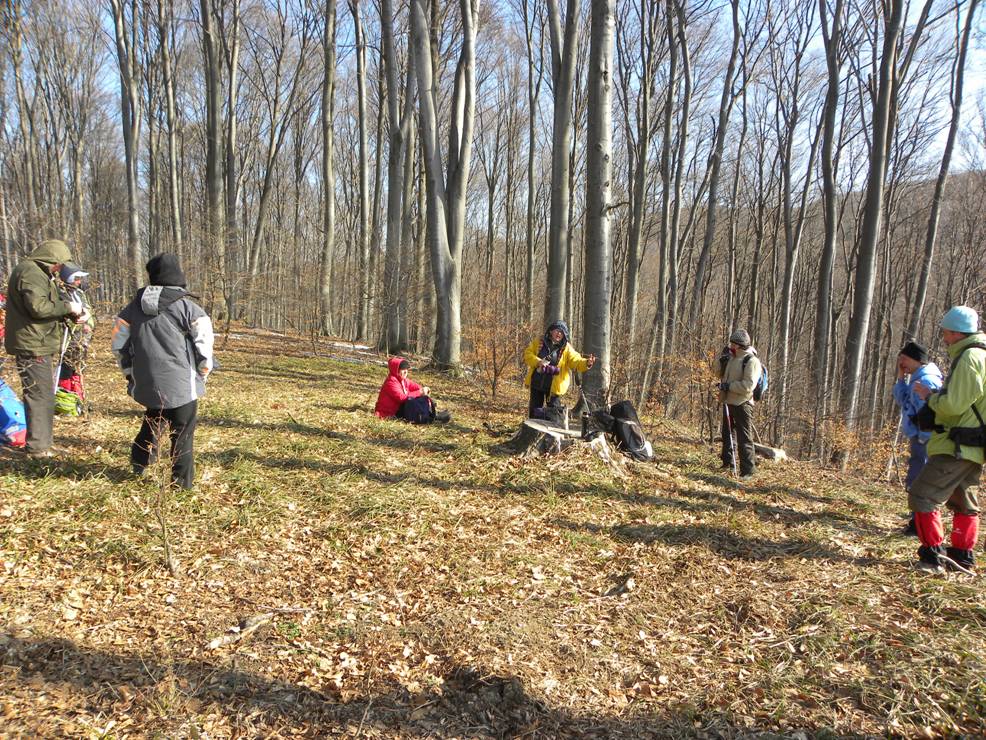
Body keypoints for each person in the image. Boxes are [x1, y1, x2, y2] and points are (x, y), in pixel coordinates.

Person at [111, 254, 214, 489]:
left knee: (154, 417)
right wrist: (202, 374)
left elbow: (118, 346)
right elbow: (204, 349)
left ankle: (139, 462)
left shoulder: (131, 310)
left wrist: (130, 373)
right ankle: (181, 485)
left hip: (147, 382)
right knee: (182, 432)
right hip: (182, 383)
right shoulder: (190, 309)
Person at [909, 306, 985, 574]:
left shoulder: (969, 358)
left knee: (922, 495)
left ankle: (933, 558)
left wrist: (931, 398)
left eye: (945, 332)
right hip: (973, 444)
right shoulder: (981, 355)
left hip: (956, 444)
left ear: (956, 332)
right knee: (964, 502)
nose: (943, 338)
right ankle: (962, 556)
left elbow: (954, 405)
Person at [3, 239, 85, 458]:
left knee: (45, 395)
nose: (60, 269)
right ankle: (38, 448)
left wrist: (70, 314)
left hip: (38, 341)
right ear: (50, 259)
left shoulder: (39, 273)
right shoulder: (30, 273)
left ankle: (43, 443)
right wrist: (68, 306)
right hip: (32, 344)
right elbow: (38, 308)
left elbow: (46, 306)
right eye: (59, 264)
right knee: (39, 396)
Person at [892, 341, 942, 535]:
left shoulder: (926, 381)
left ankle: (919, 524)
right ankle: (917, 520)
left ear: (917, 360)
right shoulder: (915, 378)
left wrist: (923, 438)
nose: (901, 362)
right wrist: (900, 377)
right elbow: (902, 399)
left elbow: (931, 416)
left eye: (904, 358)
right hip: (919, 438)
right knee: (916, 477)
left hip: (926, 440)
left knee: (920, 480)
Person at [523, 320, 595, 419]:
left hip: (554, 388)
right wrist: (538, 362)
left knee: (554, 415)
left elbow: (576, 361)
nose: (559, 334)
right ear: (551, 331)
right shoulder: (539, 342)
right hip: (537, 383)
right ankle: (533, 428)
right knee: (534, 413)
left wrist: (587, 363)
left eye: (562, 332)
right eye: (557, 330)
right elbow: (528, 354)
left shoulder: (566, 348)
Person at [718, 328, 762, 480]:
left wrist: (729, 386)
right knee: (727, 434)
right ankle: (728, 463)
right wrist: (721, 360)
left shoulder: (751, 361)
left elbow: (748, 386)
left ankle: (748, 471)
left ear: (738, 344)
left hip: (743, 404)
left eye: (732, 343)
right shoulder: (731, 358)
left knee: (744, 437)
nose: (730, 345)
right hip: (728, 401)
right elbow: (717, 373)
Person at [374, 357, 451, 424]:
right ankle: (433, 416)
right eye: (403, 370)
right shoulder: (391, 382)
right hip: (389, 412)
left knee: (417, 399)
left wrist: (423, 391)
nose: (405, 372)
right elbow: (401, 398)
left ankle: (432, 413)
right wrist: (420, 392)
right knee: (412, 402)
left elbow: (416, 386)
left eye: (406, 370)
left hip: (399, 408)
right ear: (396, 370)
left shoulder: (403, 380)